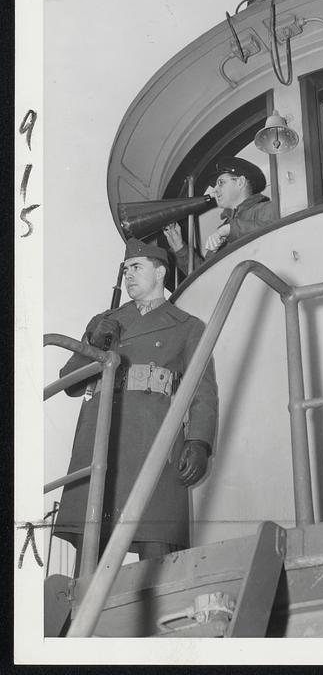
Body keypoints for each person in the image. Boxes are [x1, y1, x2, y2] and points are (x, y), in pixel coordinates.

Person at [54, 238, 218, 567]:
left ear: (160, 273)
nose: (129, 275)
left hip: (152, 441)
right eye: (126, 269)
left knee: (157, 556)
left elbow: (203, 390)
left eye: (137, 267)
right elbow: (68, 383)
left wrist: (200, 442)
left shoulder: (187, 327)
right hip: (100, 443)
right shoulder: (105, 322)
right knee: (88, 560)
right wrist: (93, 343)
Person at [164, 156, 277, 275]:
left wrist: (230, 229)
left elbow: (278, 232)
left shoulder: (267, 208)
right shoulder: (223, 228)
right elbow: (206, 276)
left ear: (240, 182)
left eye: (221, 183)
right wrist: (179, 248)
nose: (215, 190)